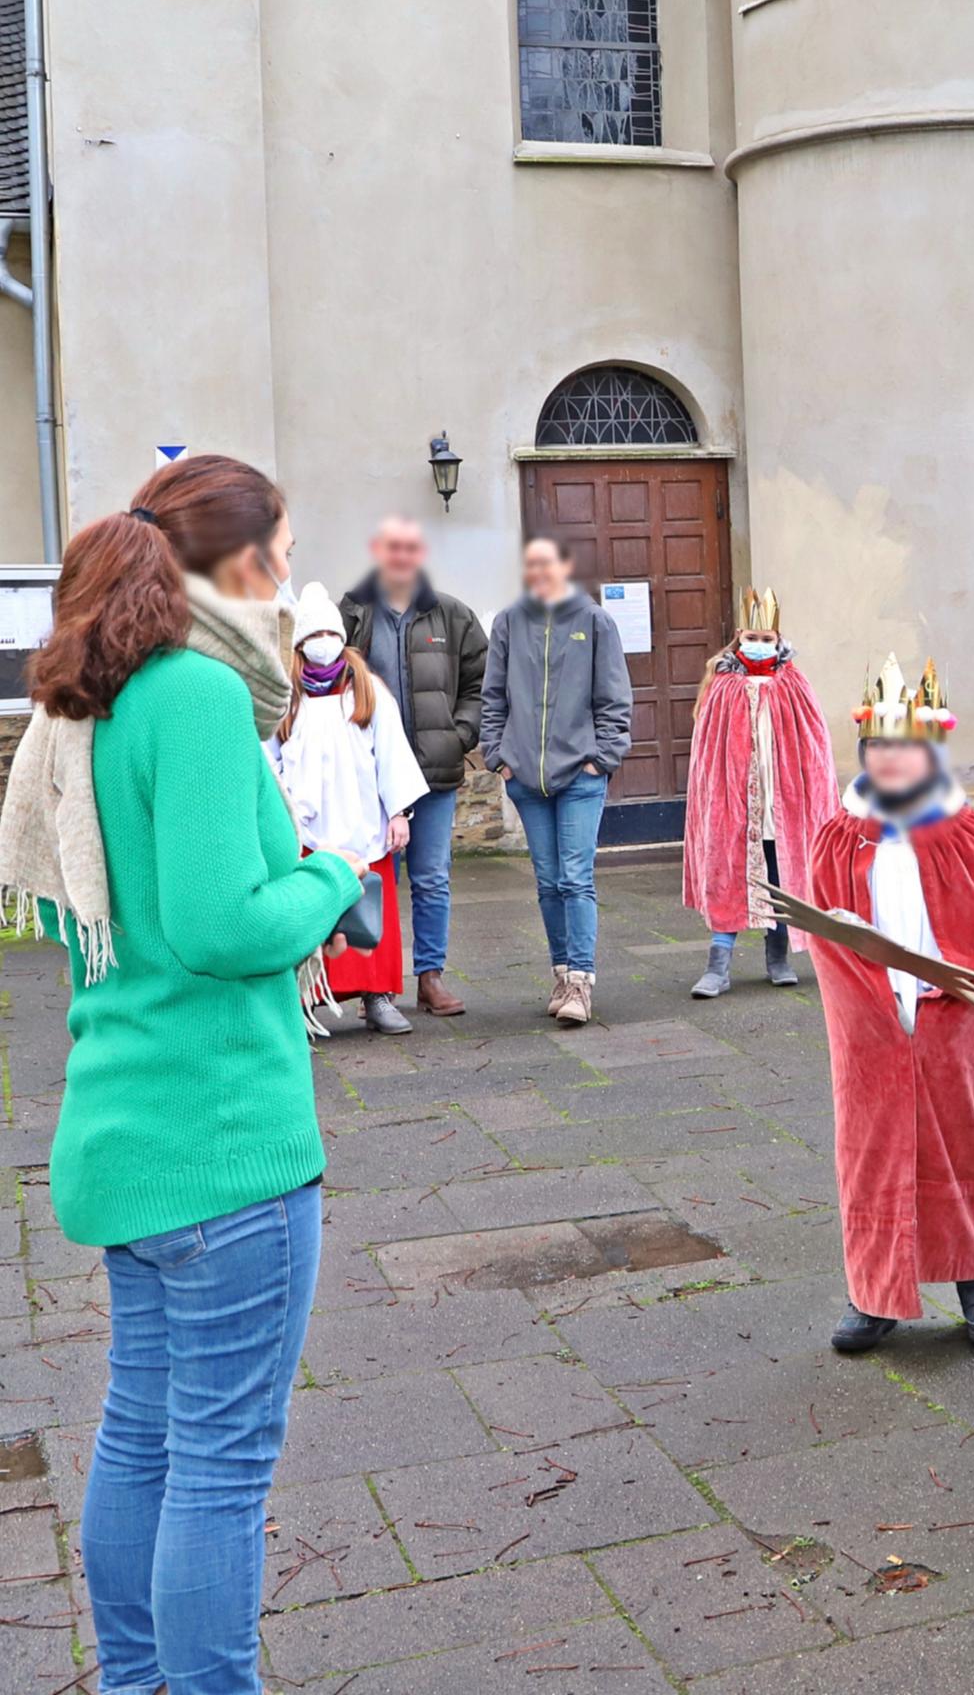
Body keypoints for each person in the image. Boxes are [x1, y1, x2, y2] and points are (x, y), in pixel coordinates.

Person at [0, 453, 361, 1695]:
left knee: (142, 1438)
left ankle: (139, 1680)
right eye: (285, 550)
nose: (293, 577)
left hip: (125, 1134)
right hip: (222, 1146)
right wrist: (335, 876)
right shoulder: (198, 691)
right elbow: (222, 926)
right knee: (215, 1466)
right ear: (238, 564)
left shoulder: (89, 693)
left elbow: (109, 911)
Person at [807, 654, 974, 1355]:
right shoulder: (839, 834)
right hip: (870, 1017)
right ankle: (873, 1291)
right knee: (870, 1152)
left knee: (956, 1143)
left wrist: (951, 991)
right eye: (881, 748)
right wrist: (867, 1005)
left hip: (946, 1014)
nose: (893, 760)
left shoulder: (966, 833)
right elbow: (828, 934)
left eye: (907, 748)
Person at [480, 535, 633, 1027]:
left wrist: (602, 757)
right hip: (525, 776)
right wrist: (498, 758)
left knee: (575, 878)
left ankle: (582, 983)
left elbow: (614, 699)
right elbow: (493, 697)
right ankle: (562, 972)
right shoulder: (508, 622)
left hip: (580, 776)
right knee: (548, 883)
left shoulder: (594, 622)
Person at [339, 514, 488, 1018]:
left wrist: (459, 734)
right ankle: (372, 986)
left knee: (431, 878)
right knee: (370, 876)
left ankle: (429, 976)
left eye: (410, 548)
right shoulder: (353, 613)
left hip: (432, 773)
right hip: (368, 778)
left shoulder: (451, 615)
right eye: (392, 548)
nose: (401, 557)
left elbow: (481, 684)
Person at [274, 582, 431, 1037]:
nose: (322, 643)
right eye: (313, 636)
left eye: (329, 633)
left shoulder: (368, 689)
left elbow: (392, 752)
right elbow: (269, 760)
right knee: (308, 916)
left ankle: (378, 997)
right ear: (300, 644)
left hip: (364, 822)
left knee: (371, 913)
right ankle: (305, 1002)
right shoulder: (286, 696)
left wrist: (399, 811)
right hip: (306, 829)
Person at [681, 586, 839, 998]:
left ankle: (778, 957)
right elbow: (708, 754)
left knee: (780, 877)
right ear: (739, 636)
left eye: (766, 639)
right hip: (733, 804)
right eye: (751, 638)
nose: (758, 645)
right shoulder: (721, 685)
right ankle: (718, 965)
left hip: (782, 806)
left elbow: (814, 745)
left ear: (779, 640)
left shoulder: (794, 685)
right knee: (727, 874)